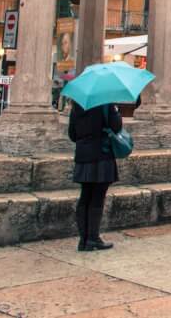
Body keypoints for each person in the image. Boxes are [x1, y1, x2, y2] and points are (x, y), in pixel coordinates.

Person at [68, 101, 122, 251]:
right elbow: (116, 127)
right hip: (101, 155)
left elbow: (72, 134)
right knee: (97, 197)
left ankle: (83, 240)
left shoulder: (77, 105)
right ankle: (93, 238)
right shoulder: (107, 104)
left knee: (85, 196)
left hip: (83, 155)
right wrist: (116, 111)